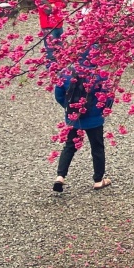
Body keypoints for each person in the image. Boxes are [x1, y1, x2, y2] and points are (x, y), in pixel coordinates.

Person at [53, 54, 114, 192]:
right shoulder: (101, 74)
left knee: (69, 146)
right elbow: (108, 96)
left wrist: (69, 108)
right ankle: (98, 180)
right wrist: (103, 111)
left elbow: (58, 94)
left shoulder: (66, 73)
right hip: (94, 119)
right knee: (97, 147)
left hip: (74, 118)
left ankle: (60, 176)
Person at [35, 0, 66, 66]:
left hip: (59, 24)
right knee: (50, 48)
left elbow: (65, 3)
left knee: (60, 46)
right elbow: (48, 11)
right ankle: (52, 67)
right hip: (48, 27)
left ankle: (60, 63)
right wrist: (57, 5)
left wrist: (55, 3)